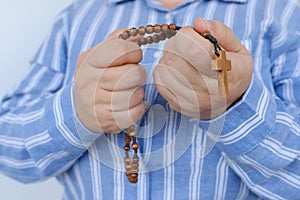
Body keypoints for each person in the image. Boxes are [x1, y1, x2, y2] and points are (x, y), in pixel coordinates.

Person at [0, 0, 300, 199]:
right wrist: (75, 111)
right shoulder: (77, 17)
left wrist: (234, 105)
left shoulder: (282, 15)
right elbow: (8, 148)